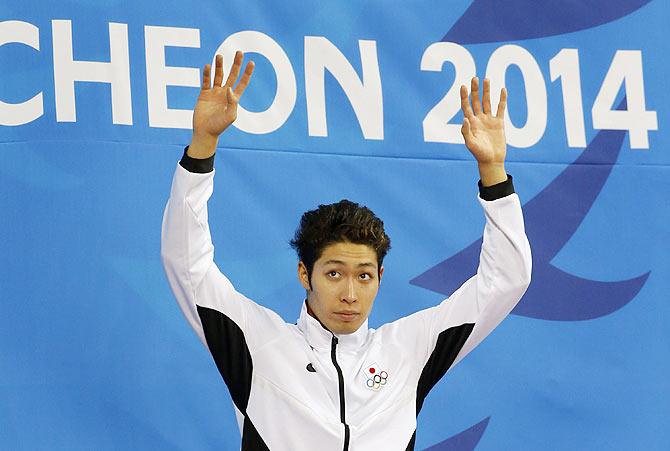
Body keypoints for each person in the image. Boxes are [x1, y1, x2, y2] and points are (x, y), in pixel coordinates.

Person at [161, 51, 532, 451]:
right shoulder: (259, 344)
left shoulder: (409, 348)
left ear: (380, 278)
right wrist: (202, 145)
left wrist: (493, 171)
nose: (351, 294)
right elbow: (187, 265)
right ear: (305, 274)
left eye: (364, 276)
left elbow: (506, 279)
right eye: (334, 273)